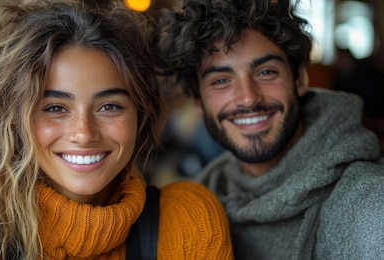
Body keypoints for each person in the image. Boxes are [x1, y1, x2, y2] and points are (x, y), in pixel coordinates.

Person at [0, 0, 233, 259]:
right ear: (14, 118)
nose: (84, 133)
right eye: (55, 108)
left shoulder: (186, 218)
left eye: (109, 106)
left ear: (141, 116)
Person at [158, 0, 384, 259]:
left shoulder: (370, 205)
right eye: (221, 80)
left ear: (299, 79)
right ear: (197, 100)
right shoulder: (197, 206)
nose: (248, 98)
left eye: (266, 72)